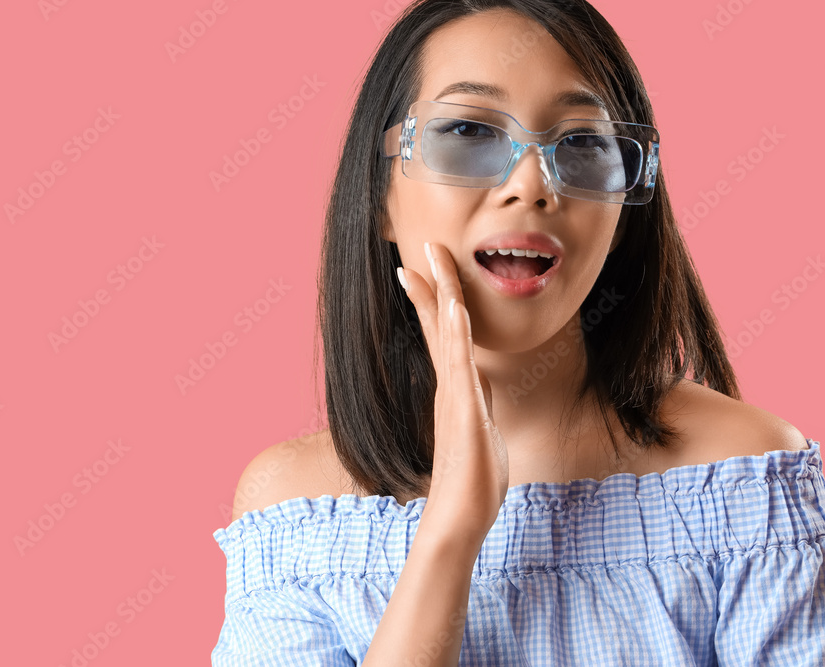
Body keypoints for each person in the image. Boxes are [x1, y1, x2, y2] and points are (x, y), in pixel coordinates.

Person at [211, 0, 825, 664]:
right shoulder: (294, 510)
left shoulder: (744, 478)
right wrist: (450, 528)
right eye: (471, 133)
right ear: (380, 192)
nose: (531, 185)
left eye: (584, 143)